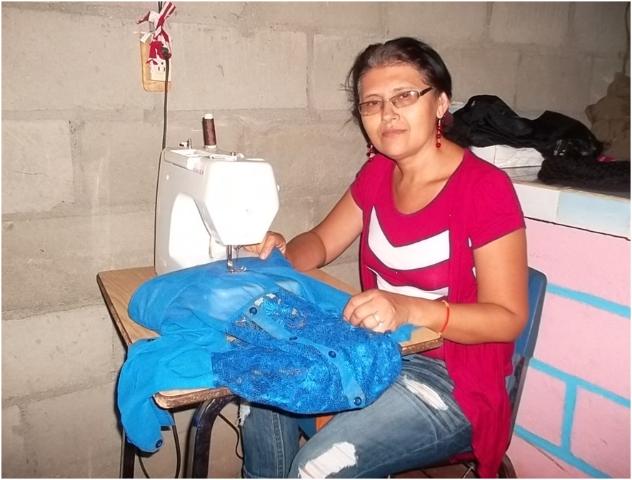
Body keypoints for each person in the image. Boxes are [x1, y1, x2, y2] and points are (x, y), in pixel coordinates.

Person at [240, 36, 528, 478]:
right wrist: (279, 253)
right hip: (376, 352)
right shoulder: (378, 174)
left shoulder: (484, 189)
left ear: (440, 103)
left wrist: (409, 308)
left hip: (453, 379)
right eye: (372, 103)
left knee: (317, 466)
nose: (387, 114)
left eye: (405, 96)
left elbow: (507, 318)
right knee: (261, 389)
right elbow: (320, 242)